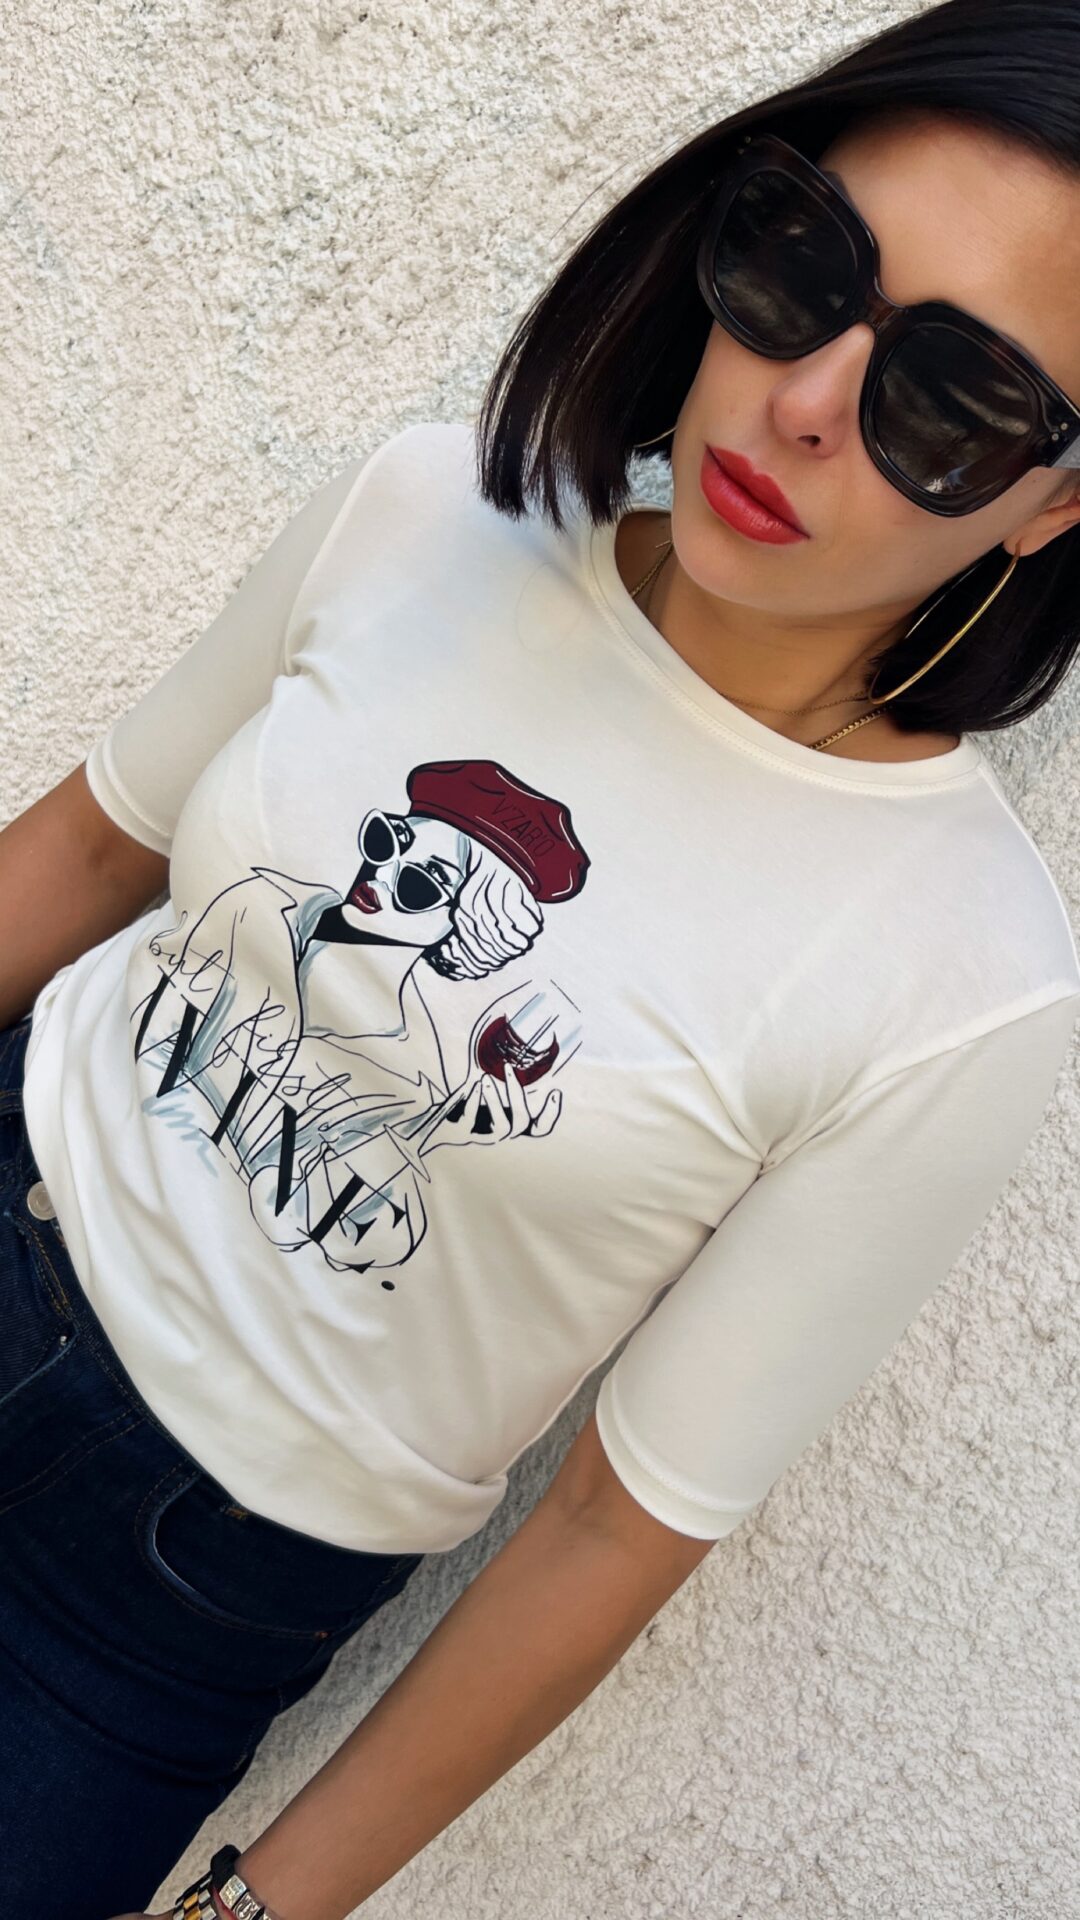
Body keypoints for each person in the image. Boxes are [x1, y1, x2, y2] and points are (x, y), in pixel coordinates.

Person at [2, 0, 1080, 1914]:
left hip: (154, 1602)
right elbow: (93, 846)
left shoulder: (959, 976)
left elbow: (608, 1528)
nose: (807, 401)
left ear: (1054, 505)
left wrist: (256, 1907)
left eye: (953, 403)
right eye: (802, 265)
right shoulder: (437, 510)